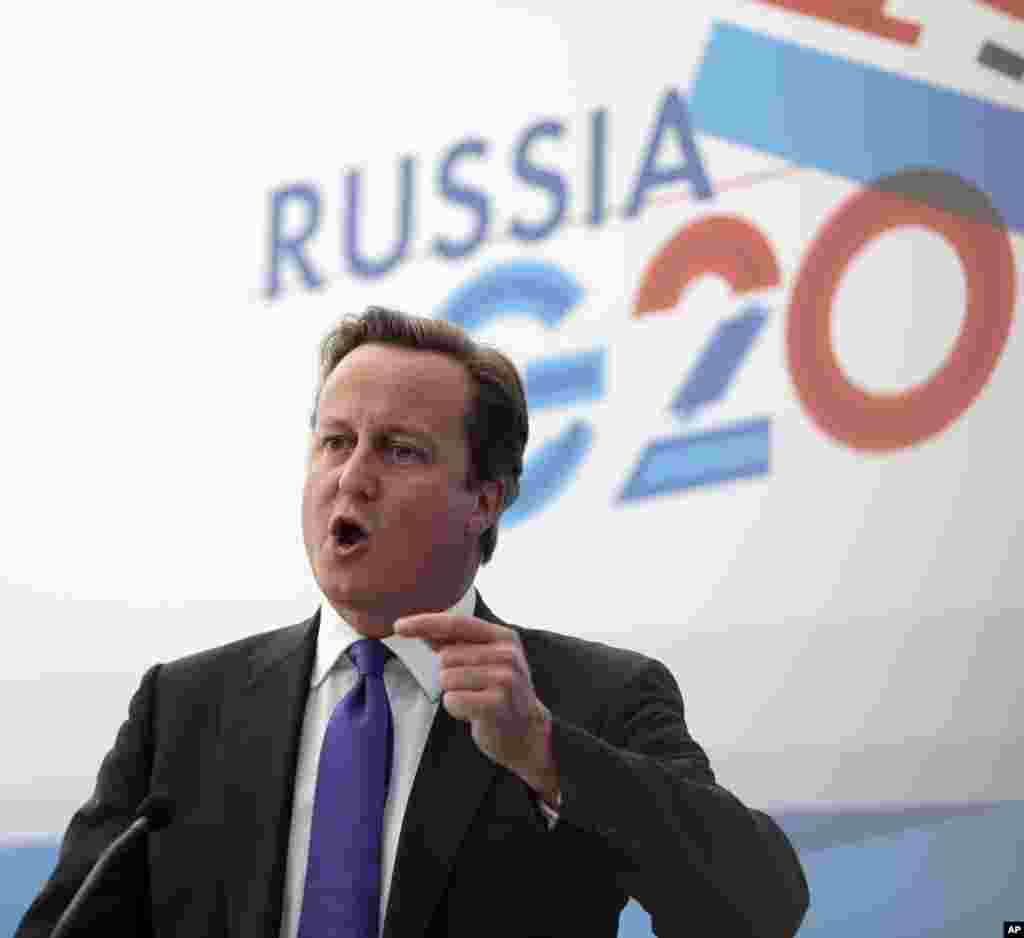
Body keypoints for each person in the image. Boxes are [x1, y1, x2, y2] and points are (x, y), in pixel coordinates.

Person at [16, 306, 809, 937]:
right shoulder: (185, 708)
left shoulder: (593, 698)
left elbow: (759, 908)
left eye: (399, 451)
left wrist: (545, 753)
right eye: (335, 442)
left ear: (486, 498)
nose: (350, 479)